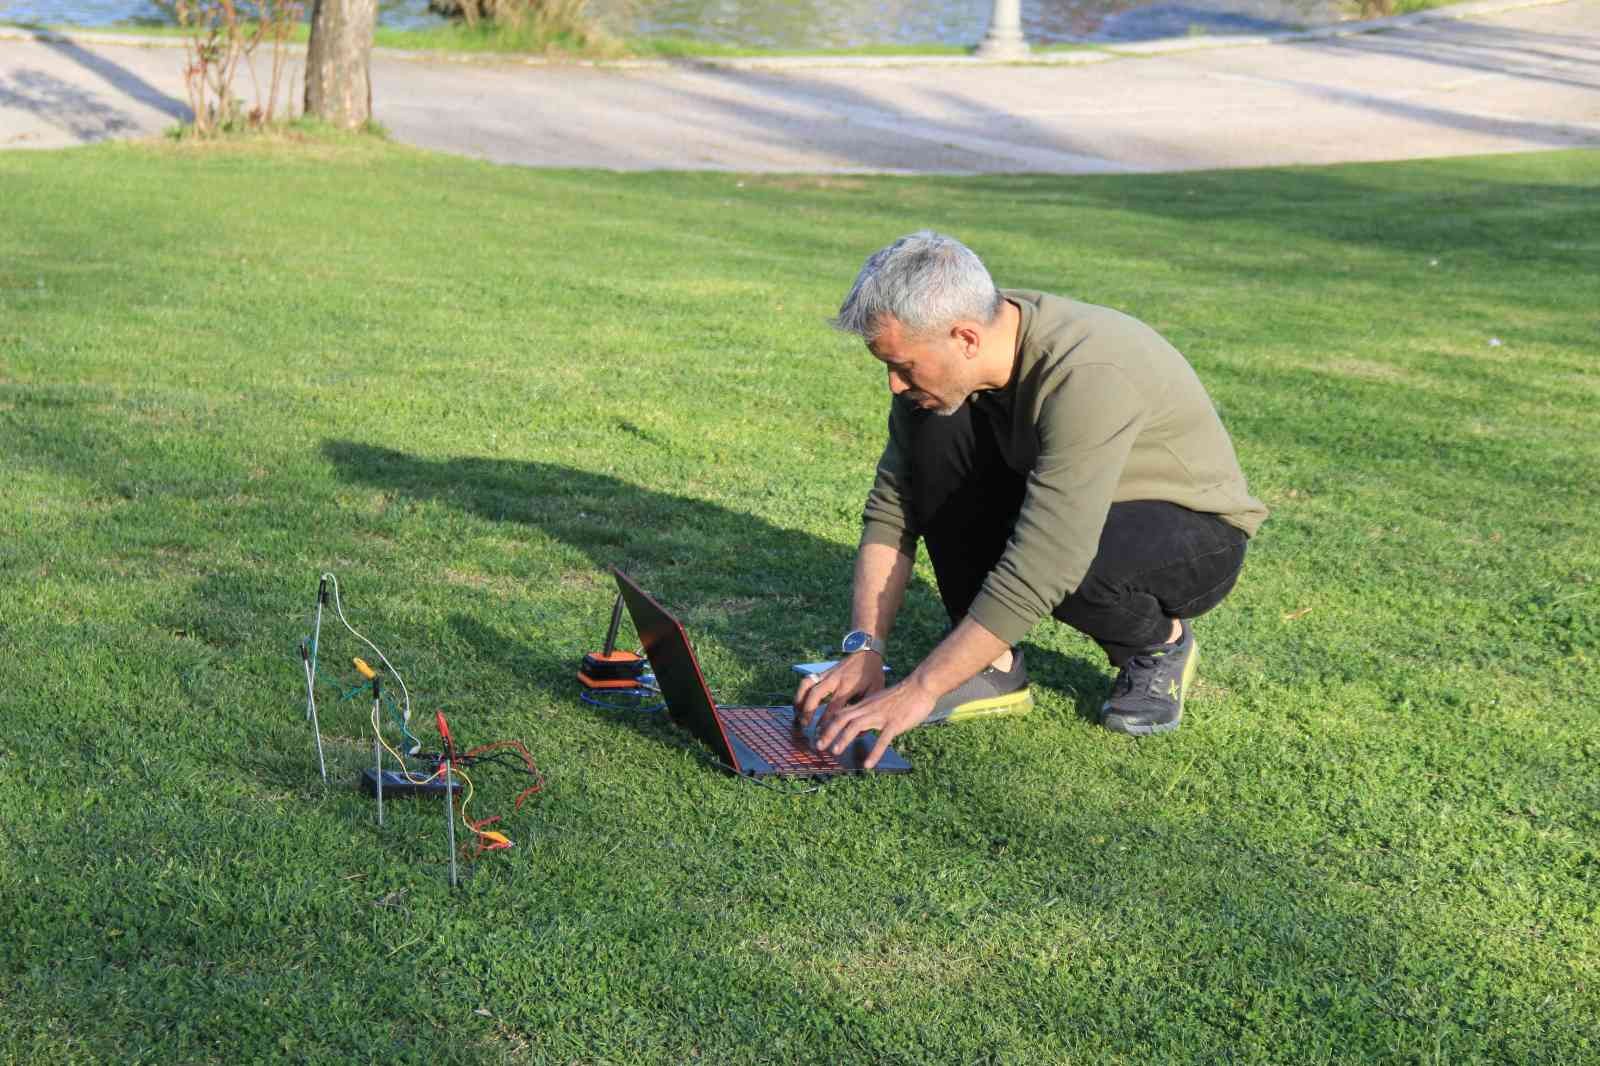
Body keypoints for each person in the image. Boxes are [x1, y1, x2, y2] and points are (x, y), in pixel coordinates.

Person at [794, 231, 1267, 768]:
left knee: (1076, 568)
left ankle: (1158, 643)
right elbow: (893, 507)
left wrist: (921, 688)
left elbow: (1049, 560)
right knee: (937, 435)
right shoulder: (951, 355)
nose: (895, 386)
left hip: (1190, 531)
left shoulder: (1088, 371)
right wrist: (865, 648)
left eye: (904, 367)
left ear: (965, 338)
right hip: (1068, 508)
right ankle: (989, 667)